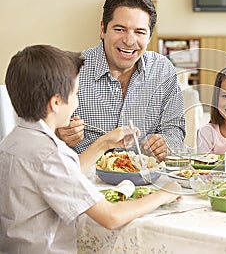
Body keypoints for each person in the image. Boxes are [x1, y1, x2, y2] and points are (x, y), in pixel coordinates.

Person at [0, 45, 182, 253]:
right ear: (56, 102)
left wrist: (104, 143)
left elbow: (64, 174)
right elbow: (111, 217)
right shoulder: (52, 154)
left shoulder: (13, 142)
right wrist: (163, 194)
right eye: (76, 93)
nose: (77, 103)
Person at [56, 0, 185, 161]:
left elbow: (175, 129)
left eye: (139, 32)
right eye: (120, 29)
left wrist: (167, 143)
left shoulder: (163, 70)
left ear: (149, 37)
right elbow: (45, 135)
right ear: (103, 29)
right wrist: (60, 134)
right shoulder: (71, 70)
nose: (129, 40)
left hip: (145, 179)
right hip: (86, 179)